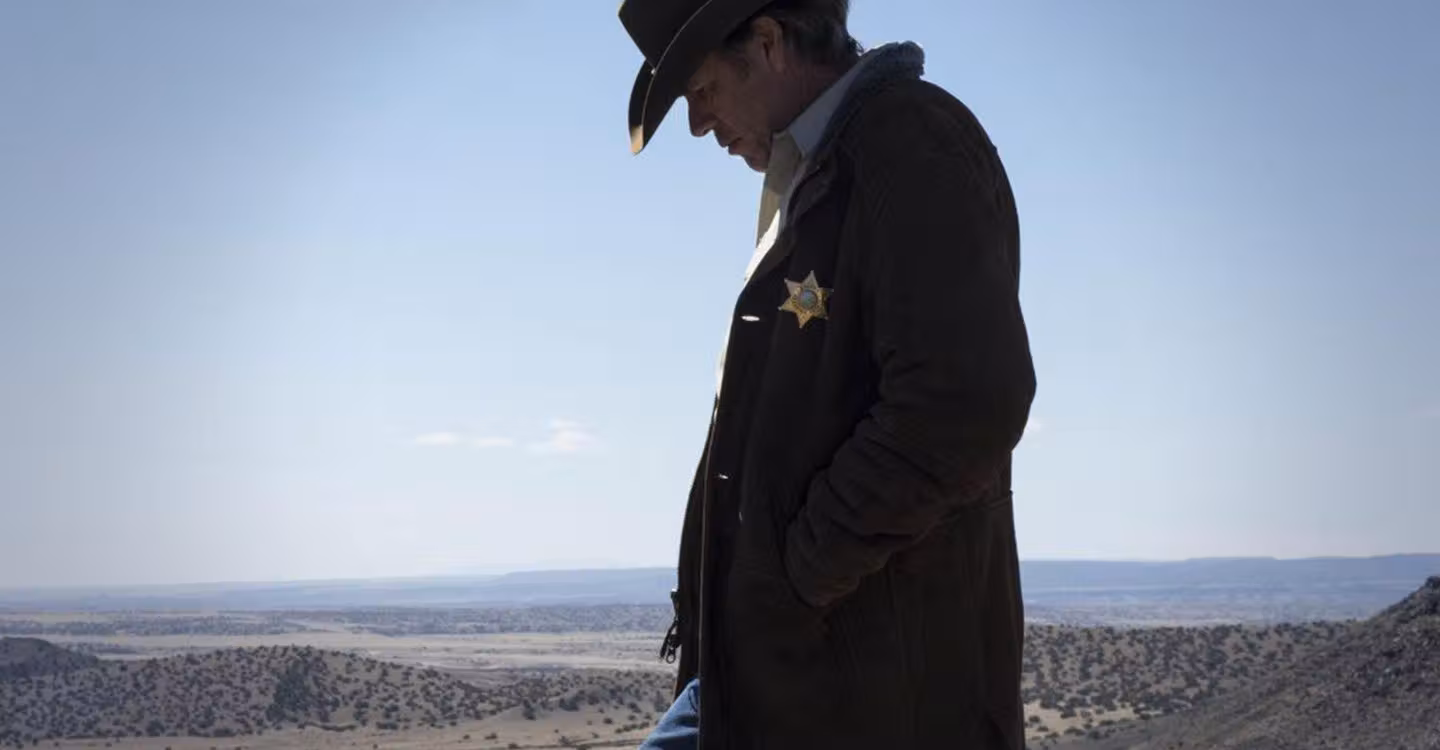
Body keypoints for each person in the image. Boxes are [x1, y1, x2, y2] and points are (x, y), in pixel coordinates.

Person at [618, 0, 1036, 747]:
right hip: (783, 679)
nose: (699, 124)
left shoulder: (909, 144)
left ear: (768, 43)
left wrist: (794, 580)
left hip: (863, 694)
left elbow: (964, 403)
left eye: (703, 90)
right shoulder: (828, 162)